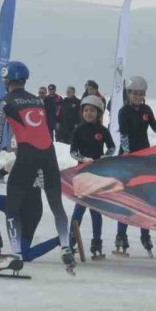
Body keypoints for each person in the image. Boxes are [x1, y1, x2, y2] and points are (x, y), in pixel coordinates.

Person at [0, 60, 75, 275]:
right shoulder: (38, 100)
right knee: (56, 206)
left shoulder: (4, 102)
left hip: (26, 157)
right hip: (49, 156)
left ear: (6, 79)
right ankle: (65, 246)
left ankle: (16, 255)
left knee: (12, 209)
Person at [115, 75, 156, 254]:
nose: (137, 96)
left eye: (140, 93)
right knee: (127, 199)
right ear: (128, 94)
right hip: (129, 160)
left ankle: (146, 234)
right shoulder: (123, 112)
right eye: (134, 93)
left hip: (145, 158)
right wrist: (128, 154)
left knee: (145, 199)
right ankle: (121, 235)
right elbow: (124, 136)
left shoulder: (147, 109)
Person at [0, 159, 61, 261]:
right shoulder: (13, 163)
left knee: (25, 255)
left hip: (31, 213)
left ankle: (59, 240)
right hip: (13, 206)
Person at [70, 94, 116, 259]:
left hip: (97, 176)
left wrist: (104, 157)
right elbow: (73, 152)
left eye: (92, 111)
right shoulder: (78, 130)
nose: (88, 113)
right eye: (86, 110)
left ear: (99, 113)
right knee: (79, 210)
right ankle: (71, 242)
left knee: (96, 211)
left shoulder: (102, 131)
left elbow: (112, 148)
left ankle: (97, 243)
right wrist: (83, 159)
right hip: (82, 176)